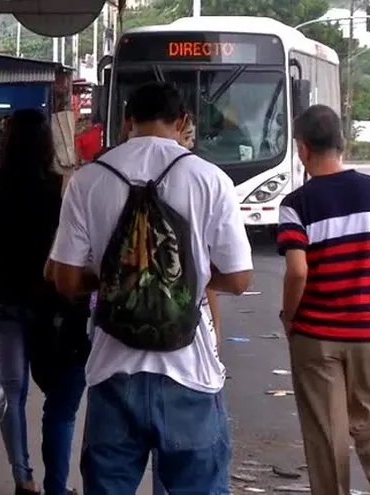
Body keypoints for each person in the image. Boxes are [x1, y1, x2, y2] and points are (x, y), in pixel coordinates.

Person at [49, 82, 253, 494]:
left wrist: (117, 274)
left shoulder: (88, 179)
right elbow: (239, 278)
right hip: (190, 373)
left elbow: (65, 279)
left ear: (127, 121)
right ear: (182, 122)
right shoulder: (210, 179)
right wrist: (183, 271)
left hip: (112, 370)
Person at [276, 105, 370, 495]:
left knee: (326, 430)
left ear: (302, 150)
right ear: (342, 143)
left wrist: (290, 315)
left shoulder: (297, 203)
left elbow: (298, 271)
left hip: (317, 334)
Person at [0, 109, 88, 495]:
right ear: (47, 145)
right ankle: (56, 486)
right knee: (59, 402)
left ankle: (22, 478)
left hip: (3, 301)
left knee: (11, 392)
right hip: (50, 309)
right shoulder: (62, 187)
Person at [150, 111, 222, 495]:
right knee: (194, 462)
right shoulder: (205, 181)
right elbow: (231, 276)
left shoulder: (105, 175)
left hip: (121, 353)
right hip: (188, 351)